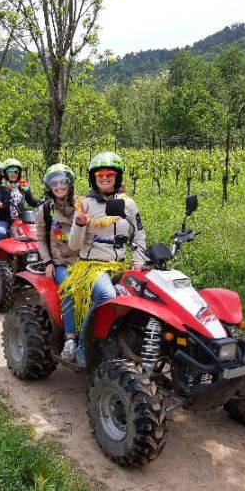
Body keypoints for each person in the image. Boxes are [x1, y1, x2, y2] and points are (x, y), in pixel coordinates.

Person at [65, 152, 147, 367]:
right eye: (99, 174)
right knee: (107, 295)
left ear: (117, 176)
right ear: (93, 177)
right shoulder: (85, 204)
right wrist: (80, 224)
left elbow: (139, 235)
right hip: (92, 267)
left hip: (121, 266)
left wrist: (138, 260)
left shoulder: (128, 204)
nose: (104, 177)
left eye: (109, 173)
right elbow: (74, 245)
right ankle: (83, 347)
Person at [36, 164, 79, 361]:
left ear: (69, 184)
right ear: (49, 187)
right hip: (60, 262)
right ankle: (70, 338)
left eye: (63, 182)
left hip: (84, 260)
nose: (59, 186)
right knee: (68, 287)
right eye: (54, 183)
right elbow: (41, 239)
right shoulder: (45, 210)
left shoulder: (82, 205)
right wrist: (48, 263)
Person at [0, 158, 41, 273]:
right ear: (6, 173)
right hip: (5, 219)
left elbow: (32, 202)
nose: (13, 174)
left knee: (35, 235)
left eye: (15, 171)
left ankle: (34, 261)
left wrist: (42, 202)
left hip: (21, 220)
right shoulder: (2, 186)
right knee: (1, 232)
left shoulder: (24, 186)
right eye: (10, 171)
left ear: (19, 172)